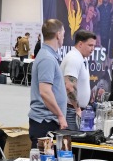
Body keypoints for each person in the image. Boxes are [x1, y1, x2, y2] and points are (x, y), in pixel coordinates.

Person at [28, 19, 67, 147]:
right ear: (58, 35)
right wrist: (60, 115)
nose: (64, 37)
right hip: (45, 122)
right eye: (63, 34)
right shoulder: (47, 59)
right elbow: (45, 92)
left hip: (47, 120)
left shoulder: (48, 56)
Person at [61, 29, 96, 130]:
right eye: (90, 45)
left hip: (76, 110)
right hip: (71, 111)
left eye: (94, 46)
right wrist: (77, 109)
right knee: (72, 142)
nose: (93, 48)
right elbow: (69, 86)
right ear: (80, 44)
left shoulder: (82, 58)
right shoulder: (74, 58)